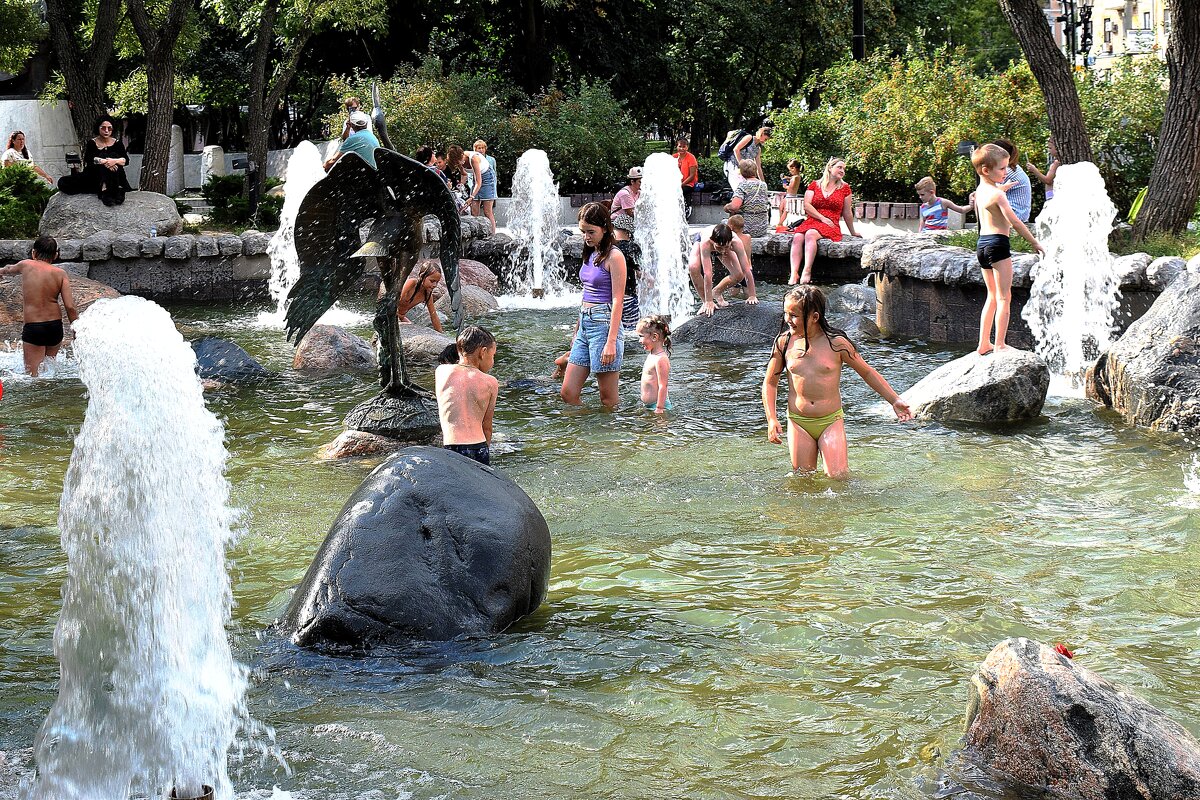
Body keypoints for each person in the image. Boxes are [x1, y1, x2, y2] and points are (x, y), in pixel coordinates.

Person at [762, 285, 911, 478]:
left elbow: (867, 373)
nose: (788, 320)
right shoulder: (784, 343)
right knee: (803, 479)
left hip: (829, 421)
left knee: (838, 477)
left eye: (794, 315)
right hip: (799, 421)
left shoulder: (836, 343)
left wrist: (894, 400)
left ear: (815, 317)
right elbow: (770, 382)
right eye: (786, 313)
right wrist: (771, 419)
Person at [971, 143, 1044, 355]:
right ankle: (1000, 344)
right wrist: (1035, 242)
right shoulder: (999, 196)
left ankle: (983, 343)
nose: (1006, 172)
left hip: (982, 245)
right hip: (998, 244)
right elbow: (1016, 222)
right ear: (986, 170)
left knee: (991, 295)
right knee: (1005, 297)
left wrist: (1001, 188)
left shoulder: (982, 190)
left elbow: (989, 200)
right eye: (1002, 169)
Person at [560, 202, 627, 409]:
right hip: (585, 323)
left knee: (608, 399)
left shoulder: (614, 256)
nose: (586, 237)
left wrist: (611, 341)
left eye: (591, 232)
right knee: (568, 393)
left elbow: (618, 300)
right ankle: (586, 433)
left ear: (605, 228)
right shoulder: (590, 253)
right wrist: (577, 330)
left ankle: (611, 437)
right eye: (583, 232)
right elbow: (586, 293)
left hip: (604, 325)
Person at [0, 236, 78, 377]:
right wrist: (76, 329)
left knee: (33, 378)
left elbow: (9, 269)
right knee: (49, 372)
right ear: (55, 255)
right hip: (55, 327)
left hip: (34, 327)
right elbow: (70, 306)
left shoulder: (26, 265)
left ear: (33, 253)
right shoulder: (61, 274)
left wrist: (1, 271)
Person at [788, 157, 858, 285]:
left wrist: (853, 232)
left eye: (844, 169)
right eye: (840, 167)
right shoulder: (815, 184)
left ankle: (807, 270)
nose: (843, 171)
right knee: (797, 237)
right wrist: (821, 218)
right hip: (813, 220)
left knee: (810, 234)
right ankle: (794, 273)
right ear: (830, 168)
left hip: (831, 223)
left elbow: (847, 212)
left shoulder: (845, 188)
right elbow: (807, 205)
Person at [435, 325, 499, 466]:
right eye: (493, 355)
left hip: (452, 446)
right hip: (478, 447)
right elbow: (487, 426)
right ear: (483, 352)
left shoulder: (441, 372)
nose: (493, 361)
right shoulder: (490, 382)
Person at [57, 118, 130, 205]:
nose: (106, 131)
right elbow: (89, 160)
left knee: (113, 155)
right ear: (98, 128)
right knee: (63, 182)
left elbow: (125, 161)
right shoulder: (92, 143)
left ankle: (107, 189)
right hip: (94, 176)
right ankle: (105, 187)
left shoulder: (118, 144)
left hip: (116, 177)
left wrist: (113, 161)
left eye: (109, 128)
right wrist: (104, 162)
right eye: (103, 128)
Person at [686, 222, 752, 316]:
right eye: (721, 248)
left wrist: (753, 295)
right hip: (703, 240)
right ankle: (706, 301)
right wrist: (708, 301)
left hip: (722, 243)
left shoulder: (736, 242)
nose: (723, 251)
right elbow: (707, 274)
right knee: (693, 267)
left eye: (726, 247)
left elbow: (747, 268)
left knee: (739, 274)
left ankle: (717, 291)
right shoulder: (706, 241)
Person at [723, 160, 771, 236]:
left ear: (741, 172)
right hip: (762, 228)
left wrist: (726, 207)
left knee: (724, 223)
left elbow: (734, 207)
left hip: (745, 228)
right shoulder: (763, 185)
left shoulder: (743, 186)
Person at [637, 315, 672, 413]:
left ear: (654, 337)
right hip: (649, 406)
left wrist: (660, 408)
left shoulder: (660, 359)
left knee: (659, 428)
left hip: (658, 406)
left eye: (641, 336)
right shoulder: (652, 355)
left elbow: (663, 386)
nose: (639, 341)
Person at [722, 214, 759, 306]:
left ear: (730, 226)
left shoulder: (731, 239)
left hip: (737, 270)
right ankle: (751, 301)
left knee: (733, 294)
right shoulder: (748, 237)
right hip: (748, 269)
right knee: (748, 294)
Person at [992, 138, 1032, 222]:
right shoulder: (1014, 168)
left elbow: (990, 192)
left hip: (1015, 215)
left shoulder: (1007, 170)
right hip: (1020, 214)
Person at [396, 261, 444, 332]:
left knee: (414, 329)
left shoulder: (427, 294)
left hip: (401, 318)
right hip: (393, 316)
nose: (435, 285)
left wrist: (441, 333)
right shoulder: (411, 283)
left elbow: (433, 315)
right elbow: (395, 301)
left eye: (437, 282)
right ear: (422, 276)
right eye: (432, 281)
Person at [467, 142, 497, 234]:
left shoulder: (491, 160)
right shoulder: (471, 158)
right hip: (475, 183)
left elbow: (494, 173)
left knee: (488, 211)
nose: (480, 150)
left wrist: (493, 191)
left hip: (487, 182)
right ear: (474, 149)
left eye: (482, 148)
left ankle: (493, 234)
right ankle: (476, 233)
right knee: (474, 211)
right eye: (478, 148)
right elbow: (468, 175)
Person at [611, 167, 641, 240]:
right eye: (640, 182)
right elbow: (630, 213)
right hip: (618, 221)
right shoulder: (625, 193)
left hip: (628, 222)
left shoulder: (639, 192)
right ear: (632, 182)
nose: (643, 184)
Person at [1027, 136, 1060, 203]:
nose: (1048, 150)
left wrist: (1034, 170)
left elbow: (1048, 180)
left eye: (1050, 148)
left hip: (1052, 195)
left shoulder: (1056, 163)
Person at [673, 138, 698, 215]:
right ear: (676, 147)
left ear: (687, 147)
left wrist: (682, 184)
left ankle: (687, 208)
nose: (681, 148)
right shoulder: (674, 157)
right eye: (680, 146)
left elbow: (692, 175)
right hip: (676, 184)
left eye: (684, 147)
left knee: (682, 190)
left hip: (689, 183)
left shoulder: (691, 158)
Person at [445, 145, 471, 213]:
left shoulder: (471, 158)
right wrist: (461, 185)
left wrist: (472, 196)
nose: (457, 164)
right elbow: (464, 174)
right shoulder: (458, 163)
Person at [778, 158, 803, 228]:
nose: (789, 171)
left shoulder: (796, 178)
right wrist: (786, 178)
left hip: (791, 196)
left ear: (794, 168)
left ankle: (780, 223)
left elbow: (791, 188)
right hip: (788, 195)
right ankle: (780, 222)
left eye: (790, 169)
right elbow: (791, 178)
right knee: (780, 208)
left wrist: (785, 185)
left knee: (785, 210)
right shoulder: (796, 177)